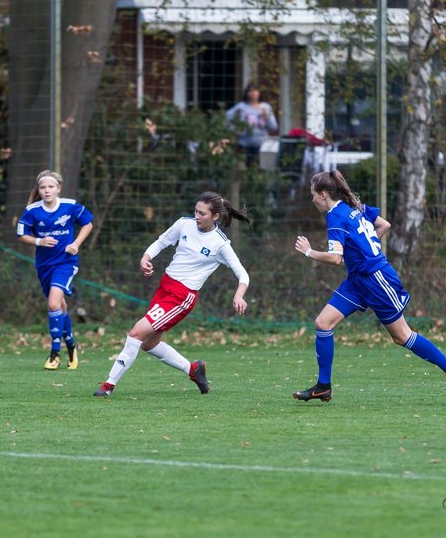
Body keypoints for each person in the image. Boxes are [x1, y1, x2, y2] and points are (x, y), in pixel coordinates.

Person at [292, 169, 446, 403]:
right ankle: (323, 386)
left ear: (323, 194)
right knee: (323, 323)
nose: (312, 199)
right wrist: (363, 247)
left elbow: (335, 258)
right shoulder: (354, 207)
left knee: (402, 336)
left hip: (377, 280)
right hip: (357, 280)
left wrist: (308, 252)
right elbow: (384, 225)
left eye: (313, 194)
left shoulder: (336, 216)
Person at [95, 192, 251, 398]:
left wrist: (239, 295)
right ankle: (193, 369)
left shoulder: (220, 243)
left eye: (202, 213)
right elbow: (161, 242)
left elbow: (243, 275)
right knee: (149, 344)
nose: (196, 216)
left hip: (182, 297)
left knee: (135, 334)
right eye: (195, 211)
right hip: (165, 287)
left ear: (214, 216)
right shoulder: (183, 224)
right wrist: (146, 257)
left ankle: (108, 385)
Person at [17, 170, 94, 370]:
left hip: (66, 263)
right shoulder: (32, 210)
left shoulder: (69, 206)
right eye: (43, 187)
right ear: (38, 190)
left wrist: (76, 243)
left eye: (51, 186)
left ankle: (54, 353)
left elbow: (88, 224)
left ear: (58, 188)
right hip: (44, 265)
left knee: (53, 304)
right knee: (60, 306)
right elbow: (21, 235)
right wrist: (39, 241)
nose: (47, 190)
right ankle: (71, 346)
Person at [225, 83, 278, 166]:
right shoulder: (241, 107)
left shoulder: (266, 107)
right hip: (245, 145)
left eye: (255, 90)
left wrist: (266, 117)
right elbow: (225, 118)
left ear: (259, 93)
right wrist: (235, 129)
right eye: (250, 91)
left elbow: (274, 127)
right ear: (247, 94)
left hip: (262, 145)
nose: (253, 93)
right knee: (246, 169)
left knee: (260, 170)